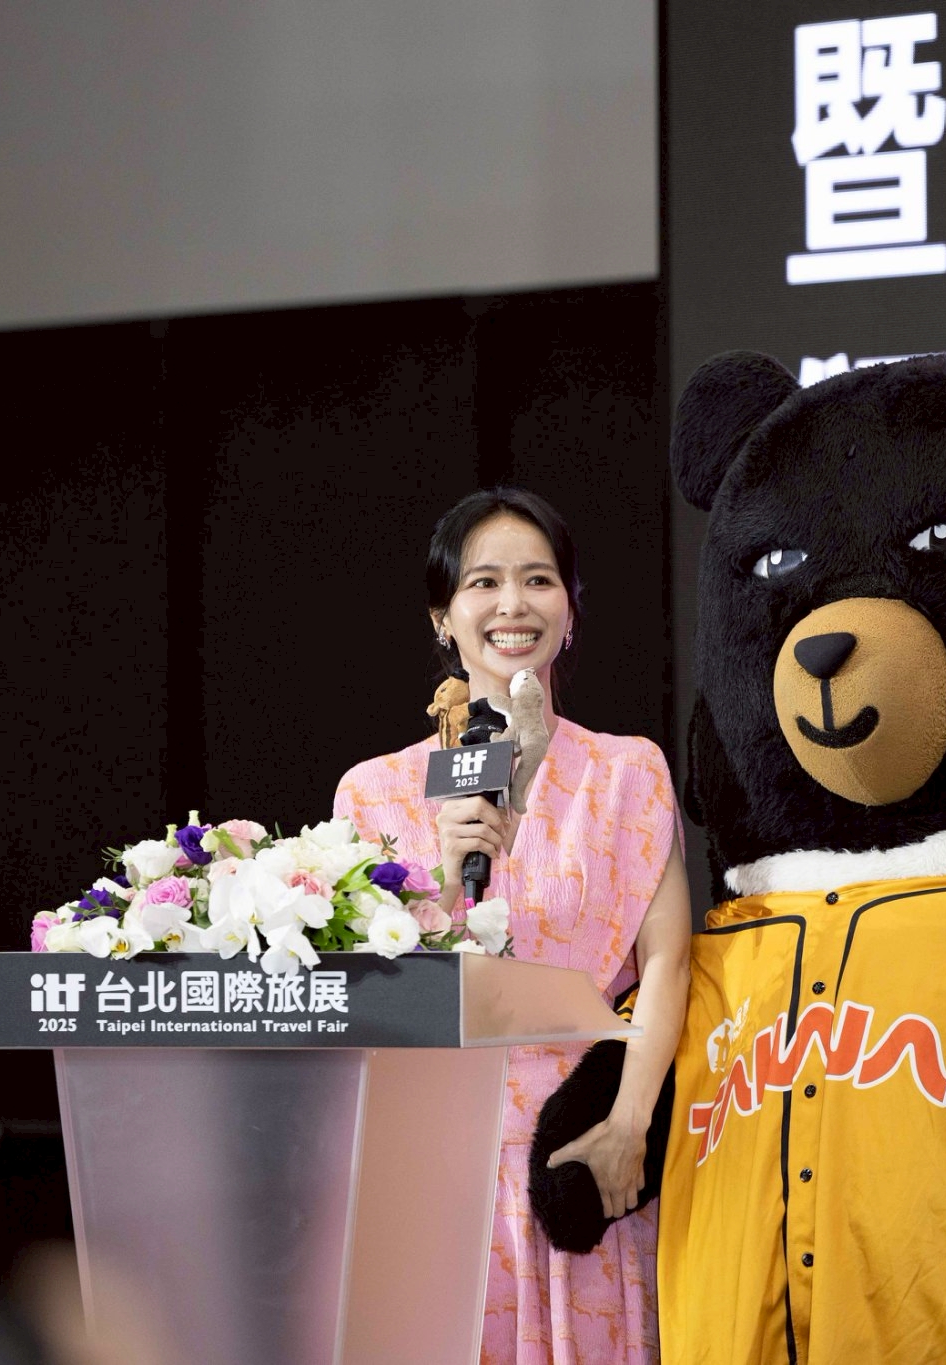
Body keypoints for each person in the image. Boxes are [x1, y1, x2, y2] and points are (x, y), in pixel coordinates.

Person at [334, 486, 690, 1364]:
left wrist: (627, 1125)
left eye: (537, 579)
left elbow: (669, 962)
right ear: (443, 617)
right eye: (483, 582)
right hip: (435, 1164)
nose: (512, 604)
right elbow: (365, 999)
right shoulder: (372, 791)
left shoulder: (627, 772)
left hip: (580, 1153)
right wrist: (444, 875)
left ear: (570, 608)